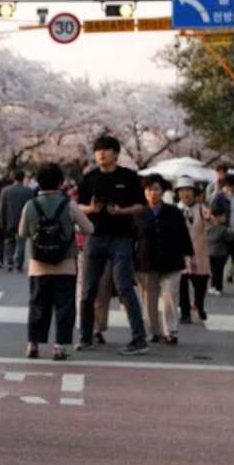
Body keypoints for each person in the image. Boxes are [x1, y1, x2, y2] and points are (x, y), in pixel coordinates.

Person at [76, 134, 150, 355]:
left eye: (106, 150)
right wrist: (92, 210)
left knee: (124, 287)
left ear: (116, 154)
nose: (101, 153)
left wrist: (121, 211)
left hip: (122, 238)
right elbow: (79, 206)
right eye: (98, 150)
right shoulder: (89, 178)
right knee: (88, 289)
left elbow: (141, 206)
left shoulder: (128, 177)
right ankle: (85, 336)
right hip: (95, 237)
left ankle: (139, 339)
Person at [19, 162, 94, 360]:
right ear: (60, 182)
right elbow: (89, 229)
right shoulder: (68, 205)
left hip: (38, 265)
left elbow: (22, 232)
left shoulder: (30, 205)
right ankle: (59, 346)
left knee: (38, 306)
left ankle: (33, 344)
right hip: (66, 264)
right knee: (64, 306)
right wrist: (71, 230)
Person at [134, 174, 194, 346]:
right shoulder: (138, 212)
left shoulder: (173, 212)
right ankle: (153, 331)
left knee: (170, 296)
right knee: (148, 299)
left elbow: (183, 235)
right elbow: (131, 239)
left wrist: (190, 256)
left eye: (156, 189)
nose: (152, 193)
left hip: (172, 261)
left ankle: (171, 331)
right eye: (148, 189)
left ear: (162, 191)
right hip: (145, 262)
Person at [176, 177, 211, 325]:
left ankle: (199, 305)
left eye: (188, 190)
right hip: (180, 253)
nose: (185, 194)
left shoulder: (201, 208)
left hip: (199, 251)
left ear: (193, 192)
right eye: (182, 191)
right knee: (182, 285)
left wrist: (209, 220)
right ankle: (185, 313)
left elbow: (209, 225)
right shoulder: (174, 210)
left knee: (200, 283)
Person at [0, 171, 35, 273]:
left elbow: (1, 208)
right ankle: (18, 264)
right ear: (23, 178)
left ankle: (9, 262)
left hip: (9, 220)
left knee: (9, 242)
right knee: (21, 243)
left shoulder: (5, 190)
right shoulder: (29, 191)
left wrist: (2, 222)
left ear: (13, 178)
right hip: (23, 220)